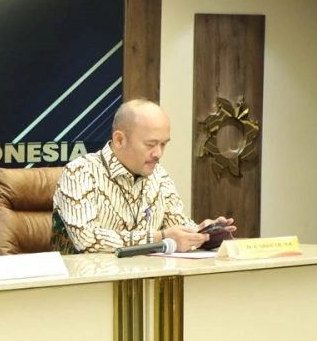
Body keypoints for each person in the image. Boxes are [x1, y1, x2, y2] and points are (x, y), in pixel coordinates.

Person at [51, 98, 235, 254]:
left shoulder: (159, 175)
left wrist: (200, 232)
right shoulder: (80, 172)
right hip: (83, 289)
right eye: (151, 145)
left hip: (145, 282)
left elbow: (177, 224)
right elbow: (87, 239)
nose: (159, 153)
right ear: (119, 139)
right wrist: (160, 238)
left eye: (163, 145)